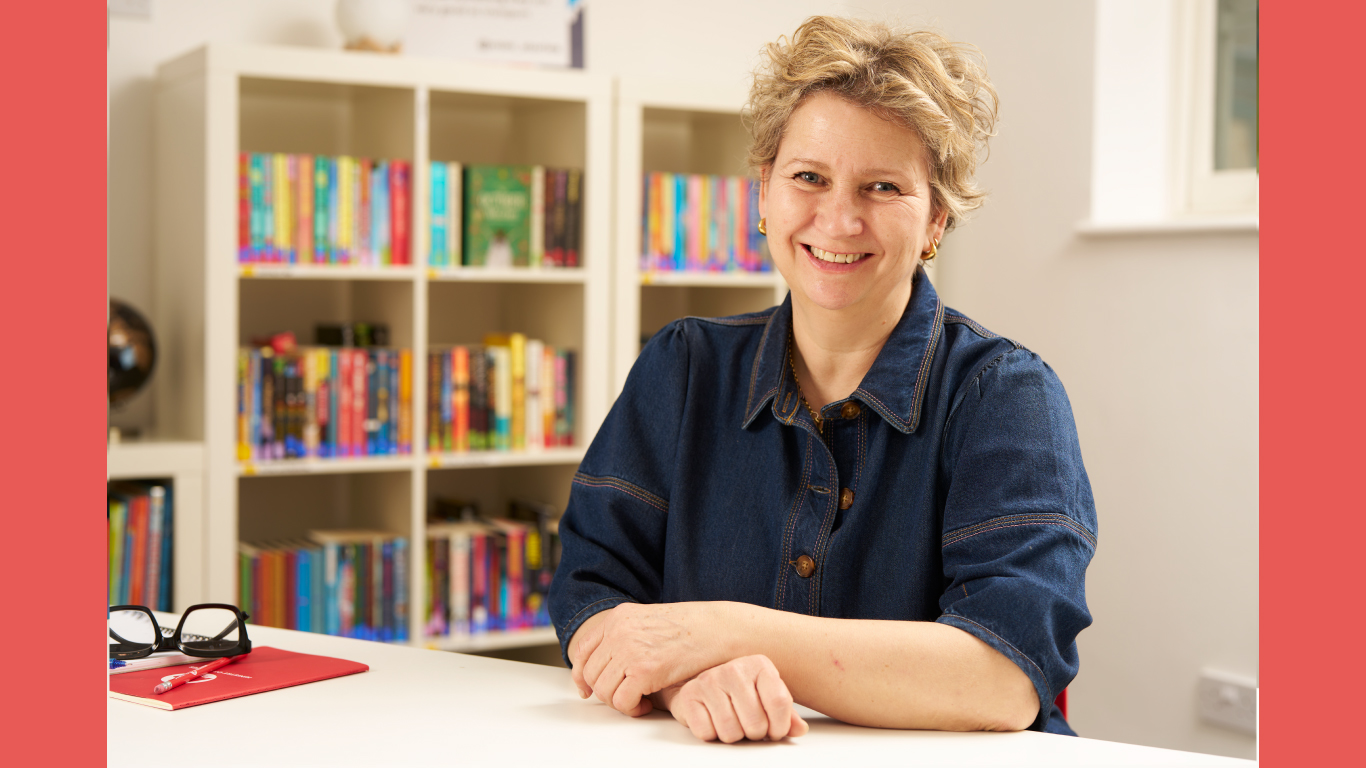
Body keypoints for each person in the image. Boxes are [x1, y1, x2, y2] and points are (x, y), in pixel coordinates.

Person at [548, 15, 1097, 743]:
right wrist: (687, 681)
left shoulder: (1006, 396)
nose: (838, 220)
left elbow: (1001, 676)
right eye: (809, 177)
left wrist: (723, 634)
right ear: (764, 194)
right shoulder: (682, 367)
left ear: (935, 218)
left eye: (882, 187)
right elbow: (590, 592)